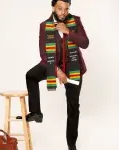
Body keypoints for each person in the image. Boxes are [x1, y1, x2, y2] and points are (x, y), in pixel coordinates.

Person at [17, 0, 89, 149]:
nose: (63, 12)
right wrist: (57, 71)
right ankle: (36, 112)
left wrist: (68, 31)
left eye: (66, 9)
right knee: (31, 75)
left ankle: (71, 145)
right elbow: (44, 53)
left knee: (73, 108)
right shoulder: (44, 26)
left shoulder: (75, 21)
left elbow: (85, 43)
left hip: (73, 67)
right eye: (60, 8)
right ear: (53, 7)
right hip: (52, 64)